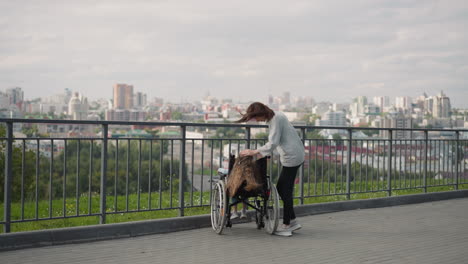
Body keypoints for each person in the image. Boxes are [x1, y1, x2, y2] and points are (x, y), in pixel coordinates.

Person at [238, 102, 305, 237]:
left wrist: (254, 151)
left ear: (261, 113)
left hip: (292, 156)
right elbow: (275, 142)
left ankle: (287, 224)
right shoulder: (277, 116)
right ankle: (292, 221)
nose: (257, 120)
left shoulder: (275, 120)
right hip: (295, 154)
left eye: (256, 117)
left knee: (284, 189)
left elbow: (273, 143)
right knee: (283, 188)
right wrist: (257, 153)